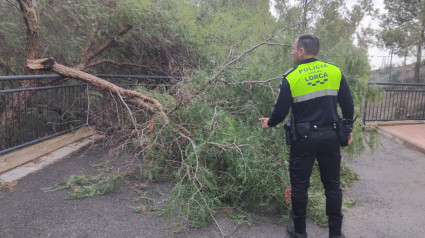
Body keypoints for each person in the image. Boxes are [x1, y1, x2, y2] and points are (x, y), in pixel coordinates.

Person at [259, 34, 354, 238]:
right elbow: (348, 104)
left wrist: (270, 122)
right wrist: (348, 129)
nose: (292, 52)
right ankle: (335, 234)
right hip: (331, 137)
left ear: (301, 51)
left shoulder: (292, 77)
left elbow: (281, 110)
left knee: (300, 186)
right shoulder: (334, 71)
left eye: (293, 49)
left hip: (303, 139)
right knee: (333, 186)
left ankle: (300, 232)